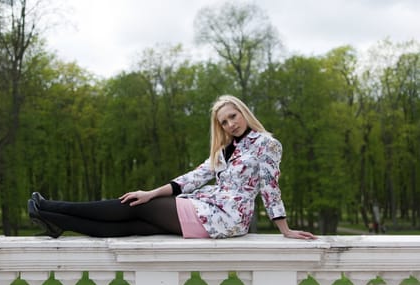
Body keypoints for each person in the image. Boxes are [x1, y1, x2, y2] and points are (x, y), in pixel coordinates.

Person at [27, 95, 316, 240]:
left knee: (135, 208)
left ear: (243, 111)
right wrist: (152, 191)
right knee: (132, 225)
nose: (231, 124)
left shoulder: (267, 144)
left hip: (227, 218)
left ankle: (50, 207)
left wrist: (285, 230)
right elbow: (195, 177)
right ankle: (57, 221)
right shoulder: (227, 148)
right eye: (224, 122)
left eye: (233, 116)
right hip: (206, 207)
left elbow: (270, 188)